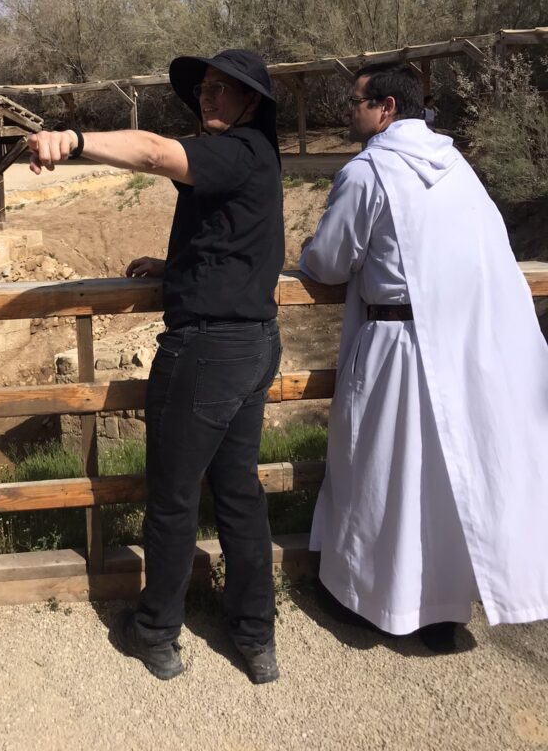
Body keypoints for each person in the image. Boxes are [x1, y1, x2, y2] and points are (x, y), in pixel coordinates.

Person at [27, 50, 284, 682]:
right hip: (253, 345)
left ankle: (156, 632)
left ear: (253, 103)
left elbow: (149, 151)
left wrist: (73, 139)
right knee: (240, 495)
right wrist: (176, 270)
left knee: (171, 502)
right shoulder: (254, 161)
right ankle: (255, 638)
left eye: (224, 90)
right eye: (205, 89)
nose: (208, 98)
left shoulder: (233, 152)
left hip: (206, 352)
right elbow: (236, 243)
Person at [299, 63, 548, 652]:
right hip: (462, 346)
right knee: (443, 476)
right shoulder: (457, 167)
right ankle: (439, 612)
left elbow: (330, 263)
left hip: (395, 350)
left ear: (385, 107)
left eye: (355, 100)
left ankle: (367, 601)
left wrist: (309, 250)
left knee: (380, 473)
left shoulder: (368, 172)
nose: (346, 110)